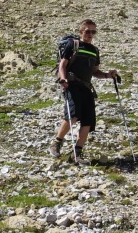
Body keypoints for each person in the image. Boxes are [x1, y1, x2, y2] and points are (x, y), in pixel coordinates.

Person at [50, 19, 118, 160]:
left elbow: (95, 72)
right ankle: (56, 143)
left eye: (93, 32)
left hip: (86, 87)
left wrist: (108, 75)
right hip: (71, 84)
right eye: (87, 31)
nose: (90, 34)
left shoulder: (94, 51)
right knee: (73, 115)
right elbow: (62, 65)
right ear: (81, 32)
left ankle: (77, 152)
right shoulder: (73, 44)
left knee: (88, 119)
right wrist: (63, 79)